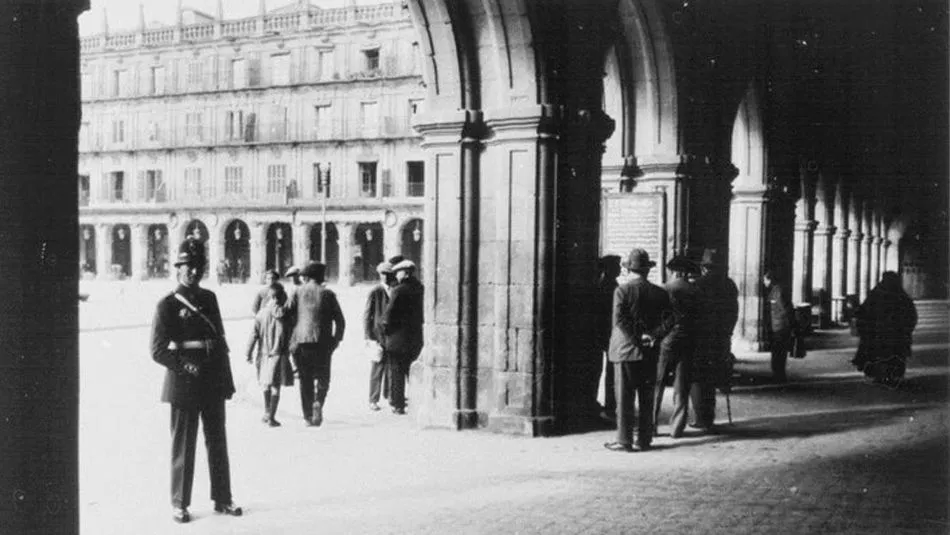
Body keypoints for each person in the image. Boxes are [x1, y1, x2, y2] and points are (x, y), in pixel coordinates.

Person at [149, 237, 242, 523]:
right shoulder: (167, 305)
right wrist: (185, 366)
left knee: (217, 441)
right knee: (184, 445)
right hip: (184, 381)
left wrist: (227, 381)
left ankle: (223, 498)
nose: (193, 271)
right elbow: (158, 350)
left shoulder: (210, 298)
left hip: (212, 378)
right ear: (177, 268)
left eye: (197, 266)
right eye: (187, 266)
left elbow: (220, 341)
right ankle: (179, 503)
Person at [603, 248, 671, 452]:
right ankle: (644, 439)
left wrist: (636, 338)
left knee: (624, 398)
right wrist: (653, 335)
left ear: (628, 270)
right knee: (646, 397)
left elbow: (620, 320)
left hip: (625, 350)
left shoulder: (622, 291)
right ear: (647, 270)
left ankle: (624, 439)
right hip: (649, 351)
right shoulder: (659, 292)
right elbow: (671, 319)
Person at [287, 261, 345, 426]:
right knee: (323, 378)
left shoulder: (297, 292)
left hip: (302, 342)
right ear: (320, 277)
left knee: (305, 380)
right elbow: (340, 320)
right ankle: (318, 401)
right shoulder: (328, 294)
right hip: (323, 343)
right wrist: (336, 340)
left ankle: (308, 416)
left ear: (306, 277)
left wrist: (292, 337)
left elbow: (286, 313)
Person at [689, 248, 739, 431]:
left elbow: (692, 314)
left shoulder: (698, 285)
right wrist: (727, 332)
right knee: (713, 375)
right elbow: (733, 312)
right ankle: (709, 417)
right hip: (721, 337)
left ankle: (701, 419)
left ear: (704, 267)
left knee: (698, 378)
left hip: (701, 339)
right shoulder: (729, 285)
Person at [654, 254, 700, 439]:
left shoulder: (665, 289)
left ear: (674, 271)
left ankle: (650, 425)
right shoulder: (696, 290)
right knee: (682, 385)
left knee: (658, 382)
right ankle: (677, 428)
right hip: (689, 339)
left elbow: (659, 317)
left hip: (668, 340)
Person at [852, 271, 917, 386]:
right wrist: (906, 330)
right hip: (896, 335)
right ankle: (892, 376)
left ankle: (879, 376)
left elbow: (864, 311)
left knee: (878, 354)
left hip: (878, 334)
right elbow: (911, 315)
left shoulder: (876, 293)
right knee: (894, 355)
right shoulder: (902, 296)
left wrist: (864, 326)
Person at [246, 284, 294, 427]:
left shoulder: (261, 314)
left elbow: (253, 335)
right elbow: (290, 335)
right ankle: (272, 417)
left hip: (263, 354)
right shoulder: (285, 315)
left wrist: (248, 353)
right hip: (279, 354)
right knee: (275, 386)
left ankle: (267, 412)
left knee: (265, 384)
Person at [381, 258, 424, 415]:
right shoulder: (420, 288)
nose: (396, 275)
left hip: (397, 339)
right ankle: (417, 403)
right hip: (415, 337)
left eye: (398, 273)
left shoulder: (398, 290)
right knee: (412, 372)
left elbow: (388, 315)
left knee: (397, 373)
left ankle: (398, 404)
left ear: (405, 273)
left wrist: (386, 331)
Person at [364, 260, 395, 411]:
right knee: (377, 367)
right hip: (378, 335)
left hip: (392, 335)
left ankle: (390, 396)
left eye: (388, 274)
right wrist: (368, 336)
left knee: (391, 366)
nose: (386, 277)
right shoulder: (376, 291)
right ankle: (373, 399)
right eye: (383, 274)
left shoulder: (395, 290)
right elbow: (367, 315)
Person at [596, 255, 622, 421]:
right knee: (611, 371)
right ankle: (610, 406)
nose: (620, 269)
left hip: (605, 333)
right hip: (608, 333)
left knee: (609, 370)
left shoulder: (607, 284)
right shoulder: (609, 286)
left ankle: (610, 405)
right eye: (617, 266)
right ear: (608, 269)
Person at [762, 268, 793, 383]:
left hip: (780, 327)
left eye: (765, 280)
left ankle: (779, 375)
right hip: (776, 326)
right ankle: (778, 374)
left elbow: (785, 309)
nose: (764, 282)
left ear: (770, 280)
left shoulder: (778, 291)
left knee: (779, 352)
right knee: (777, 352)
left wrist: (788, 325)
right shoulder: (774, 291)